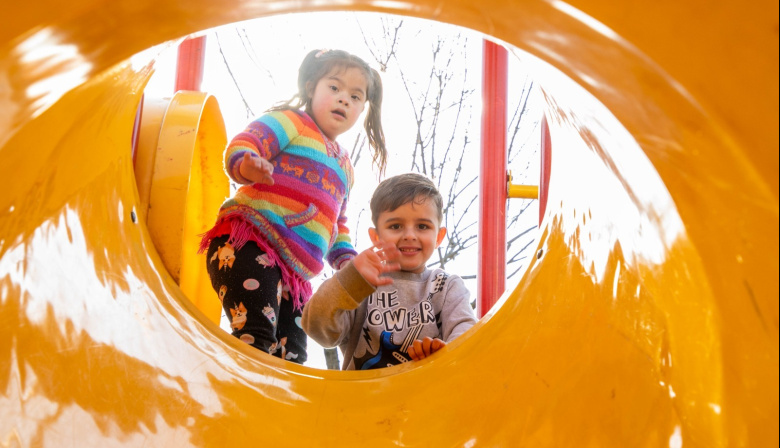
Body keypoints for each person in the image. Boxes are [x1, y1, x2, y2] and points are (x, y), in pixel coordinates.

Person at [199, 49, 387, 364]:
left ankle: (269, 397)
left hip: (295, 277)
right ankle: (232, 389)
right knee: (257, 334)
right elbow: (245, 143)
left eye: (355, 96)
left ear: (362, 108)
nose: (344, 99)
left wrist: (349, 263)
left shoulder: (346, 168)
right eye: (335, 87)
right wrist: (248, 165)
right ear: (311, 87)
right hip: (249, 243)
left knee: (292, 356)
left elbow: (336, 225)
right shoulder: (292, 122)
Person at [302, 173, 477, 370]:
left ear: (439, 236)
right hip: (366, 389)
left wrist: (445, 354)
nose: (409, 235)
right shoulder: (359, 285)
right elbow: (317, 328)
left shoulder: (446, 287)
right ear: (376, 236)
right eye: (396, 226)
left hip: (428, 387)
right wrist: (349, 279)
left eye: (422, 226)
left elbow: (467, 332)